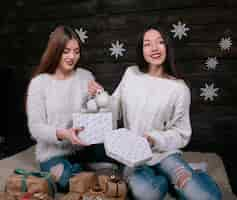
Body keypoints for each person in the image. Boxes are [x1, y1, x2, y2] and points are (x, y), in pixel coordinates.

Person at [88, 24, 222, 200]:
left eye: (159, 42)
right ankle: (170, 179)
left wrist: (153, 138)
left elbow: (181, 133)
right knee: (145, 194)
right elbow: (115, 110)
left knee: (205, 197)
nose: (154, 48)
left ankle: (193, 174)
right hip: (133, 154)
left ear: (167, 46)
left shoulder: (179, 88)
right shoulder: (131, 74)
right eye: (147, 44)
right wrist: (101, 96)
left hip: (165, 154)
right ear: (141, 50)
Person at [26, 25, 109, 192]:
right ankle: (86, 171)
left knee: (120, 151)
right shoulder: (39, 83)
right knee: (67, 182)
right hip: (53, 153)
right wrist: (64, 134)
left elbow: (98, 113)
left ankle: (89, 168)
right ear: (55, 51)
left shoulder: (85, 76)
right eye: (66, 51)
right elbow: (35, 128)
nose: (72, 56)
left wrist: (99, 94)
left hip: (84, 146)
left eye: (76, 51)